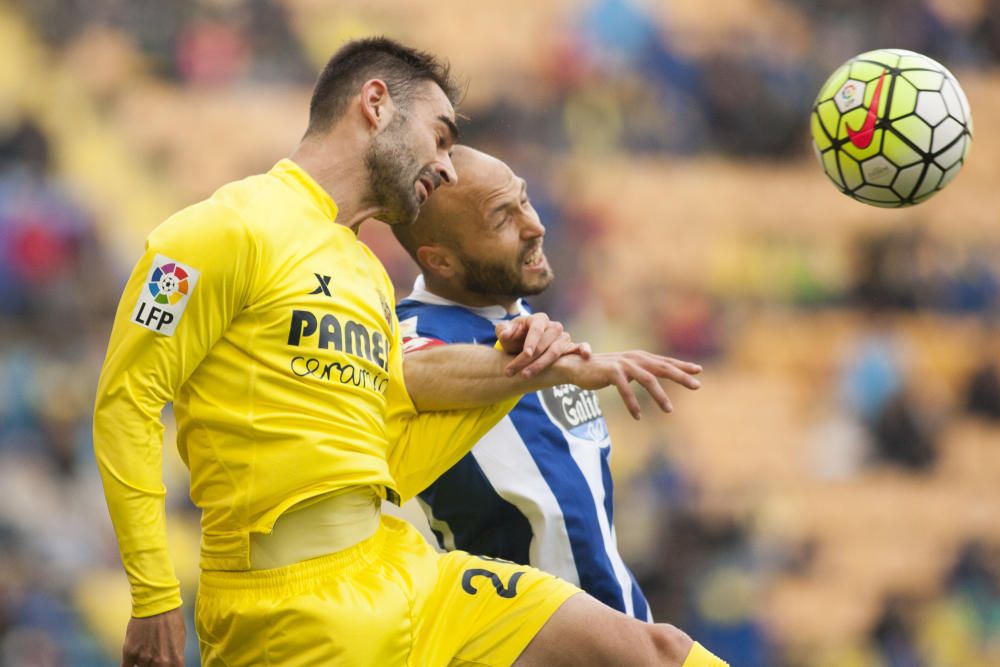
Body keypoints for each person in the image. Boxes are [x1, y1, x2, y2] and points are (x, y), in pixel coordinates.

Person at [93, 37, 726, 666]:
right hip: (287, 610)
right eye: (442, 135)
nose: (447, 167)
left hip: (402, 568)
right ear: (376, 104)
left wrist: (525, 371)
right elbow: (127, 405)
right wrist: (153, 595)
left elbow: (389, 460)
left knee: (655, 651)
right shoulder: (222, 230)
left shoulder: (365, 272)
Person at [394, 145, 694, 620]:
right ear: (441, 262)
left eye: (525, 201)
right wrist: (553, 369)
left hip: (613, 628)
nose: (535, 226)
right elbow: (406, 374)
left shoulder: (526, 325)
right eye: (501, 219)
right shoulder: (417, 333)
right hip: (522, 637)